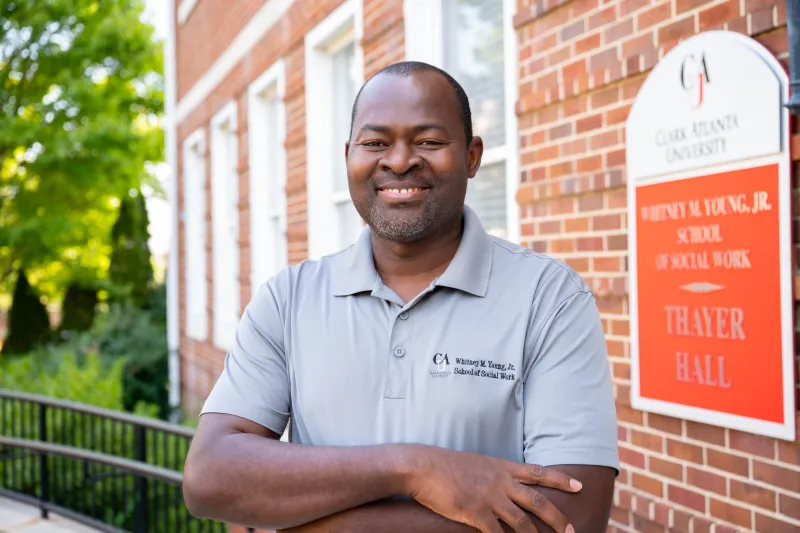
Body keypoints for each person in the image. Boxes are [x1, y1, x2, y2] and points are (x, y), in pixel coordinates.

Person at [183, 61, 619, 533]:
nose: (398, 160)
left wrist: (301, 521)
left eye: (429, 141)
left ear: (472, 157)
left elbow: (574, 517)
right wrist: (414, 467)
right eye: (375, 143)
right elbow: (210, 477)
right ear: (348, 155)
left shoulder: (549, 298)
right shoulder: (288, 300)